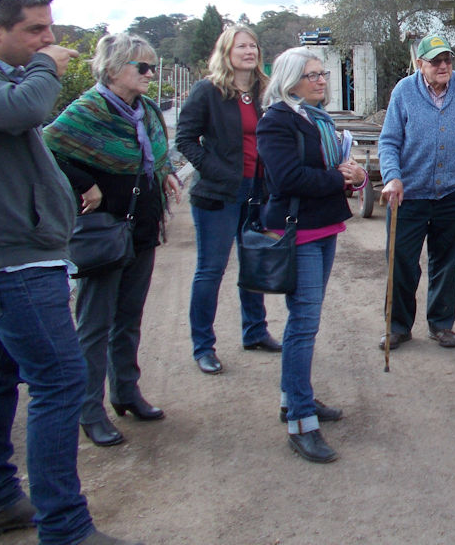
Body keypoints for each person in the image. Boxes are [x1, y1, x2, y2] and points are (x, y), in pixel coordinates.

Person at [0, 0, 143, 545]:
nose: (48, 39)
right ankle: (66, 527)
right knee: (60, 380)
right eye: (35, 30)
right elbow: (19, 113)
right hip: (13, 261)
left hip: (11, 255)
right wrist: (46, 65)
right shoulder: (0, 82)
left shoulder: (2, 74)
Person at [44, 33, 182, 449]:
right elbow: (47, 146)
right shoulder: (87, 112)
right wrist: (85, 183)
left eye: (152, 66)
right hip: (103, 232)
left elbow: (157, 154)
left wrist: (166, 171)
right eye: (141, 67)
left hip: (141, 226)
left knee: (129, 317)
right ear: (111, 68)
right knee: (94, 324)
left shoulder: (149, 110)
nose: (150, 74)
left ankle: (126, 391)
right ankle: (89, 409)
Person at [257, 48, 367, 463]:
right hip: (298, 230)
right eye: (313, 75)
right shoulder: (277, 121)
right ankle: (301, 422)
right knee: (303, 324)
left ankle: (294, 398)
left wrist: (353, 176)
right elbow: (286, 178)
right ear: (289, 80)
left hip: (324, 226)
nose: (322, 81)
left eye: (323, 74)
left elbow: (333, 169)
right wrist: (336, 178)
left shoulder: (318, 119)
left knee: (308, 320)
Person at [176, 25, 281, 376]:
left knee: (255, 264)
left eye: (253, 45)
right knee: (211, 269)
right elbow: (186, 139)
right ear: (226, 52)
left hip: (259, 191)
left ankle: (255, 332)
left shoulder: (265, 91)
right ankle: (203, 346)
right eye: (241, 46)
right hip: (219, 194)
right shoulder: (208, 91)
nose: (249, 51)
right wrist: (218, 171)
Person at [378, 34, 455, 350]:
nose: (443, 66)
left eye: (447, 59)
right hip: (409, 194)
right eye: (435, 61)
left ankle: (440, 324)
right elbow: (389, 141)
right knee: (401, 261)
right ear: (419, 64)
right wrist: (393, 177)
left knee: (446, 262)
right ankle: (398, 326)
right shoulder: (404, 92)